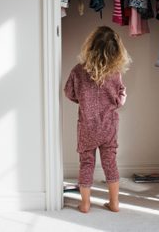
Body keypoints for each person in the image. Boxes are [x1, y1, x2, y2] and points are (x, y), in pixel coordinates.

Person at [64, 26, 131, 213]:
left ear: (90, 46)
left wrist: (83, 101)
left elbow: (69, 92)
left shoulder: (78, 71)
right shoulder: (115, 73)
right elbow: (120, 98)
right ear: (116, 52)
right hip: (108, 126)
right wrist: (115, 102)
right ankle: (114, 202)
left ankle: (85, 204)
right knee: (110, 163)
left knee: (86, 163)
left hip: (87, 126)